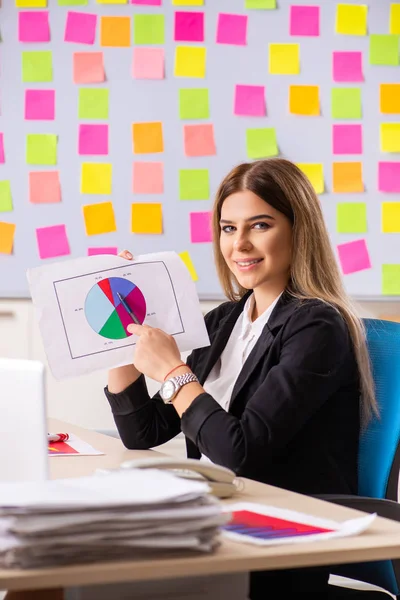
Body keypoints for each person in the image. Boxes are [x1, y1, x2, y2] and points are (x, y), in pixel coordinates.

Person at [105, 158, 377, 598]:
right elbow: (143, 431)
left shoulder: (317, 327)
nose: (240, 245)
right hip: (217, 519)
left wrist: (174, 372)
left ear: (297, 229)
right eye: (228, 228)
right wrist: (122, 335)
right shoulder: (223, 321)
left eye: (260, 225)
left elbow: (239, 451)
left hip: (274, 539)